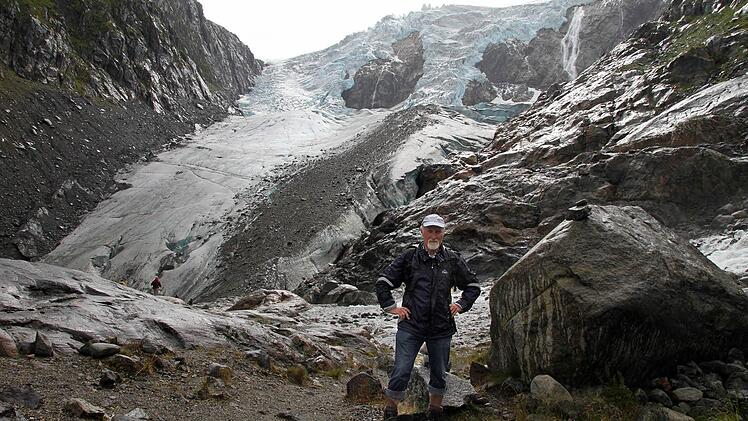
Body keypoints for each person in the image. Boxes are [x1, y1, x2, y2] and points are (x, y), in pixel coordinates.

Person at [376, 214, 481, 420]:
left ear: (443, 233)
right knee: (401, 369)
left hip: (441, 328)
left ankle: (435, 410)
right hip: (411, 326)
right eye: (430, 230)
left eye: (438, 231)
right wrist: (391, 307)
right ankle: (390, 411)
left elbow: (473, 286)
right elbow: (383, 282)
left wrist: (460, 304)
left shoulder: (452, 259)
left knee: (440, 372)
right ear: (421, 231)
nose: (434, 235)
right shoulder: (409, 257)